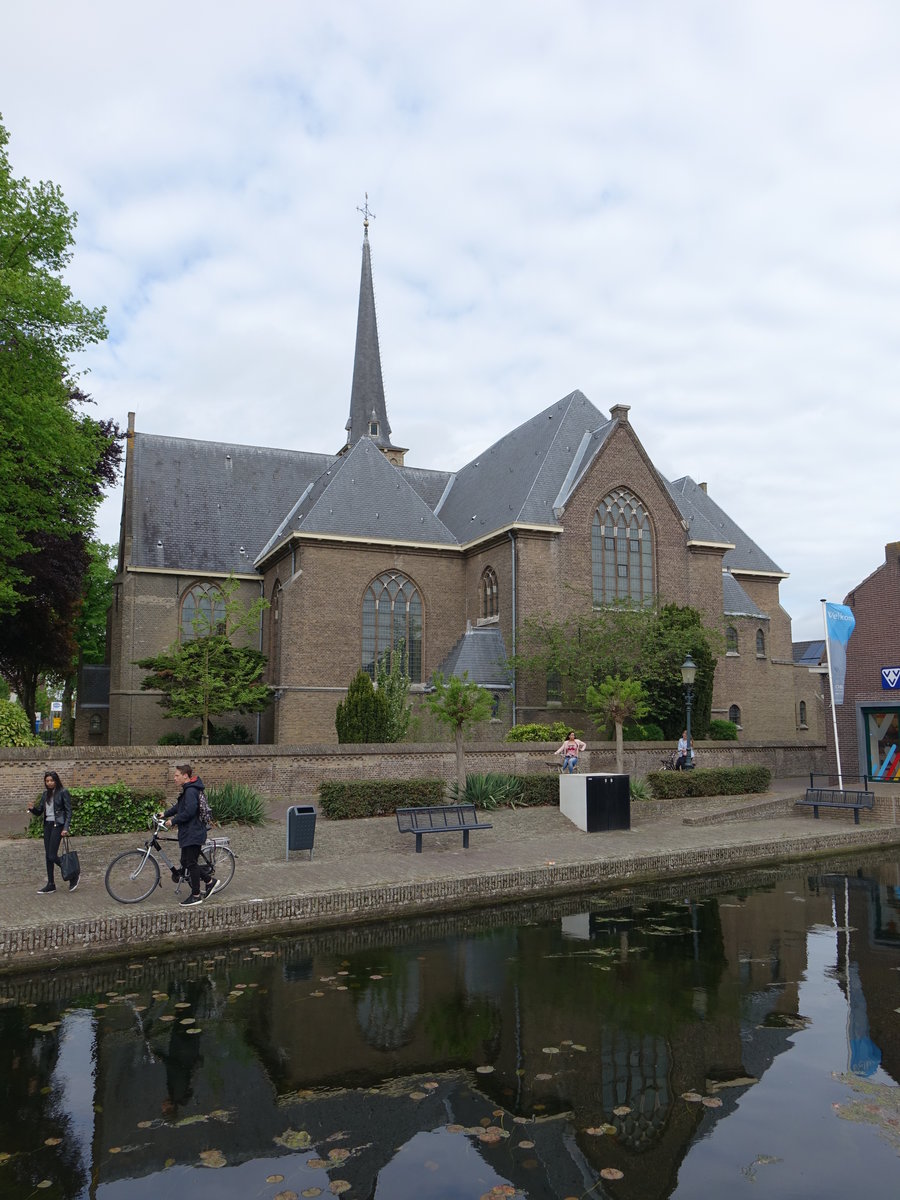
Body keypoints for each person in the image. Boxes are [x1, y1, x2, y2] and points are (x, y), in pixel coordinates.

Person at [161, 764, 223, 907]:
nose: (174, 778)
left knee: (191, 863)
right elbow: (179, 807)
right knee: (185, 861)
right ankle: (209, 881)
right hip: (189, 832)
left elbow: (189, 812)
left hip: (194, 832)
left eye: (177, 775)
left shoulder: (190, 791)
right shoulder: (188, 790)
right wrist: (165, 814)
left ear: (185, 776)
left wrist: (173, 821)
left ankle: (196, 895)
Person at [27, 771, 79, 894]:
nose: (49, 783)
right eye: (47, 781)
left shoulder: (63, 792)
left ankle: (73, 874)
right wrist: (32, 809)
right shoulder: (45, 794)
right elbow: (40, 811)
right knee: (48, 856)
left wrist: (66, 827)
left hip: (58, 825)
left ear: (56, 780)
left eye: (51, 780)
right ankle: (51, 884)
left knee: (52, 855)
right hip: (48, 826)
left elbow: (68, 811)